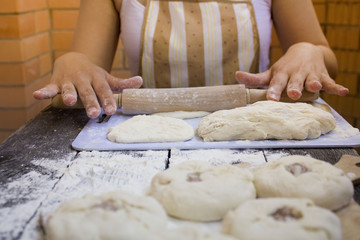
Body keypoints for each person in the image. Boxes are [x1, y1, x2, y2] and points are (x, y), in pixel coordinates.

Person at [33, 0, 349, 119]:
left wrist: (309, 51)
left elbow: (326, 59)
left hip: (257, 129)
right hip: (145, 133)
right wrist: (72, 61)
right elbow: (85, 63)